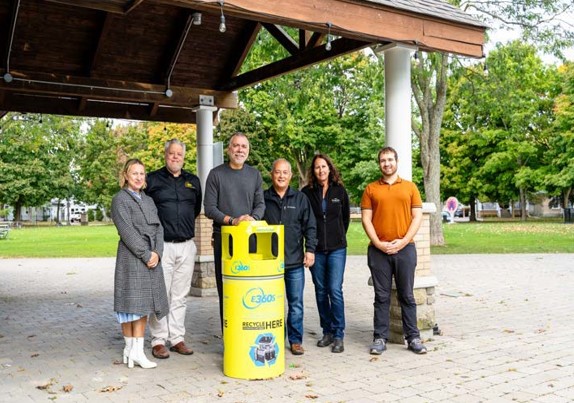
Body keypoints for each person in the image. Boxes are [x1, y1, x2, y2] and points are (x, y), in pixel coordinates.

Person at [360, 146, 427, 355]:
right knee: (381, 297)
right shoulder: (371, 189)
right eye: (383, 160)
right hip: (378, 251)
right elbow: (366, 219)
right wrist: (378, 243)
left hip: (405, 250)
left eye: (390, 160)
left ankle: (413, 338)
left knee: (407, 295)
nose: (386, 163)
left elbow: (417, 217)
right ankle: (380, 338)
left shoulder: (410, 187)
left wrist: (404, 241)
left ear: (396, 162)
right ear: (379, 164)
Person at [145, 139, 202, 359]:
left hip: (187, 246)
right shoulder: (153, 180)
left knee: (180, 295)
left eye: (179, 154)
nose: (175, 157)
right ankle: (158, 340)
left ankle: (176, 338)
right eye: (171, 153)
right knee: (161, 295)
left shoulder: (193, 181)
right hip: (162, 247)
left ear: (183, 156)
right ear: (165, 155)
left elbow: (195, 209)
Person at [204, 132, 266, 329]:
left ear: (248, 151)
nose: (240, 149)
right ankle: (229, 335)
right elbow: (210, 208)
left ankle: (248, 330)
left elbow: (261, 205)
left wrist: (251, 219)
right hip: (225, 241)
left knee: (249, 287)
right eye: (236, 145)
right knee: (227, 289)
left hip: (250, 240)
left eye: (244, 146)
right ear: (229, 149)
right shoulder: (216, 175)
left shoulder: (254, 175)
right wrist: (232, 221)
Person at [111, 158, 169, 369]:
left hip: (151, 257)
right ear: (126, 175)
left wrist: (158, 253)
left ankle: (134, 351)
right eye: (134, 173)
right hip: (132, 258)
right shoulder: (120, 200)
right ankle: (133, 350)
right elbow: (127, 232)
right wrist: (146, 255)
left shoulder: (148, 200)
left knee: (142, 306)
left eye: (142, 174)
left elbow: (159, 228)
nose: (138, 177)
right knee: (131, 305)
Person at [263, 159, 317, 356]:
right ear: (272, 174)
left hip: (294, 262)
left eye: (285, 172)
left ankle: (295, 341)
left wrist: (310, 250)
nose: (281, 176)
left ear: (290, 175)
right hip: (269, 264)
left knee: (296, 304)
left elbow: (310, 226)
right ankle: (276, 337)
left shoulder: (300, 198)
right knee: (273, 304)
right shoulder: (263, 198)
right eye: (278, 172)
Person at [302, 154, 350, 353]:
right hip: (316, 250)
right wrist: (310, 246)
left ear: (330, 168)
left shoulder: (340, 190)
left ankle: (339, 334)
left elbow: (345, 218)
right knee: (321, 291)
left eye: (324, 166)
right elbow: (304, 220)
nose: (321, 170)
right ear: (313, 171)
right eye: (317, 167)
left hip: (337, 249)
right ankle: (327, 331)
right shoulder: (306, 193)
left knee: (334, 289)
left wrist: (337, 236)